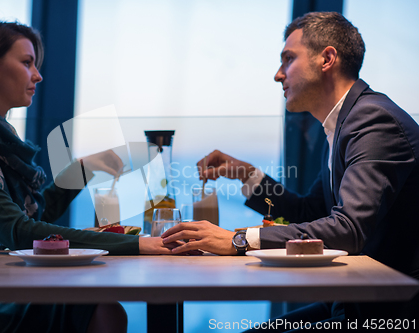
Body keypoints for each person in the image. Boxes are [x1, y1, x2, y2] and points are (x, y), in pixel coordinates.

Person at [0, 19, 184, 333]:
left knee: (101, 308)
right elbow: (18, 230)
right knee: (101, 310)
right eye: (27, 63)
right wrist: (138, 244)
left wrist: (83, 168)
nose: (37, 75)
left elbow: (33, 215)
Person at [162, 11, 419, 328]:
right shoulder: (343, 125)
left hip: (391, 312)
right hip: (356, 303)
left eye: (288, 59)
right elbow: (310, 210)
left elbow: (348, 229)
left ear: (327, 59)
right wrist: (247, 175)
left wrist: (238, 240)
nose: (278, 75)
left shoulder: (373, 122)